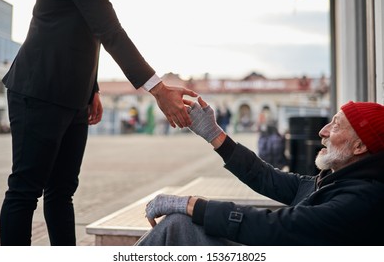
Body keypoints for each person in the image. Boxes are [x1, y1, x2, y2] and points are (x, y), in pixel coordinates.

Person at [0, 0, 197, 246]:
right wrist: (159, 90)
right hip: (39, 89)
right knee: (25, 190)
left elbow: (87, 29)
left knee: (61, 192)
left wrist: (92, 88)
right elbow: (110, 30)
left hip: (75, 96)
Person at [136, 98, 384, 246]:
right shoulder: (336, 181)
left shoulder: (363, 199)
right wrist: (214, 135)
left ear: (360, 146)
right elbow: (267, 178)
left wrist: (192, 205)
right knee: (179, 226)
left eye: (336, 126)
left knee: (179, 227)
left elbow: (277, 227)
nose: (323, 131)